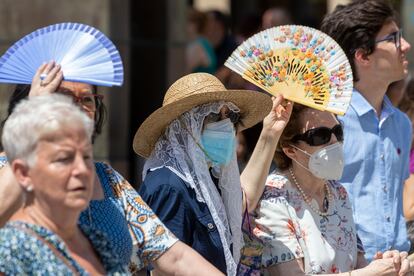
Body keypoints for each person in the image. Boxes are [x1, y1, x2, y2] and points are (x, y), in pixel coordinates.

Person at [0, 62, 224, 275]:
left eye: (87, 99)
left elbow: (172, 255)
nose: (77, 108)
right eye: (64, 98)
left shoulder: (107, 181)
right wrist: (31, 121)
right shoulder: (9, 170)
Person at [135, 72, 290, 275]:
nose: (226, 125)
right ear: (186, 125)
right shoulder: (168, 186)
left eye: (231, 116)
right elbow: (162, 268)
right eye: (215, 115)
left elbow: (242, 200)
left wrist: (270, 133)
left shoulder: (205, 177)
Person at [238, 103, 412, 275]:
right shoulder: (274, 196)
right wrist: (372, 273)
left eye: (338, 131)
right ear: (290, 150)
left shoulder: (338, 192)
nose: (334, 141)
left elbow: (358, 267)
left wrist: (388, 265)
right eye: (320, 136)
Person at [321, 0, 412, 260]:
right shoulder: (328, 122)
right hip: (347, 265)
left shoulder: (401, 124)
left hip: (399, 263)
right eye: (393, 38)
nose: (405, 46)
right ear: (363, 55)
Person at [0, 94, 127, 274]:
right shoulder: (11, 250)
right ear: (23, 173)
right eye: (64, 159)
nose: (82, 169)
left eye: (86, 157)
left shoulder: (96, 241)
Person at [186, 9, 217, 74]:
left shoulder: (198, 46)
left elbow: (185, 71)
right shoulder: (203, 42)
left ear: (196, 25)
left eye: (187, 22)